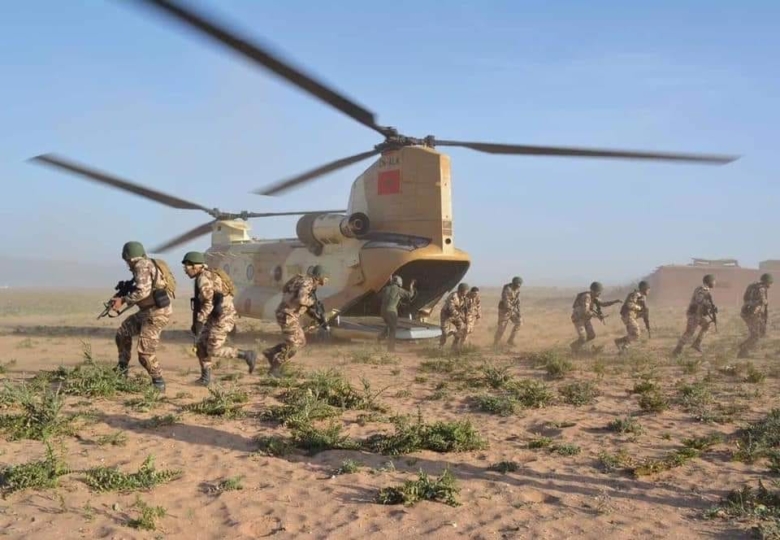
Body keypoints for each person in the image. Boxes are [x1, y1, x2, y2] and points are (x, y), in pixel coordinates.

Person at [181, 251, 257, 386]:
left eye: (186, 266)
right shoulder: (207, 275)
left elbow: (208, 303)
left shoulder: (203, 278)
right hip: (214, 316)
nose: (185, 270)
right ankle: (205, 378)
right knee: (201, 346)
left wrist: (199, 321)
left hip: (223, 317)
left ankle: (245, 354)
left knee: (213, 349)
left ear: (195, 266)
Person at [113, 241, 173, 392]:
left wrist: (123, 300)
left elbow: (142, 292)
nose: (127, 264)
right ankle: (122, 369)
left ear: (129, 258)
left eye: (126, 260)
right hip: (147, 312)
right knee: (123, 333)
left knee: (145, 353)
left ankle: (158, 382)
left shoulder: (141, 266)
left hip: (156, 314)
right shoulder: (148, 264)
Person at [263, 265, 329, 376]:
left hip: (286, 314)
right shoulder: (308, 283)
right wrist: (312, 302)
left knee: (301, 341)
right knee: (294, 346)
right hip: (288, 315)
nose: (326, 279)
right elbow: (301, 299)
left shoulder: (300, 279)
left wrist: (316, 316)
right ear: (319, 277)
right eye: (325, 277)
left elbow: (285, 289)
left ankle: (271, 352)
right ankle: (275, 368)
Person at [569, 281, 622, 355]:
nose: (599, 294)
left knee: (591, 335)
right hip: (579, 319)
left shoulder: (594, 297)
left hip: (585, 319)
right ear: (594, 291)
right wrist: (597, 315)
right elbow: (585, 311)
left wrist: (614, 301)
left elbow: (603, 304)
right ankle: (574, 348)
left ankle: (578, 346)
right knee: (583, 338)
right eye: (598, 292)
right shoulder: (587, 297)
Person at [672, 274, 718, 356]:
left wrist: (712, 308)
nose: (715, 283)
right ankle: (678, 349)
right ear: (709, 281)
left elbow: (704, 305)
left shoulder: (706, 290)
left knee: (706, 325)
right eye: (714, 281)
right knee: (690, 332)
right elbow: (699, 300)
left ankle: (697, 343)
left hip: (698, 315)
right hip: (694, 314)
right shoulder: (701, 289)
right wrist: (709, 305)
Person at [737, 273, 773, 358]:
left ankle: (744, 347)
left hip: (745, 311)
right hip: (752, 313)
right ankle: (743, 350)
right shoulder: (762, 288)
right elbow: (763, 301)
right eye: (770, 283)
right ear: (767, 282)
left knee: (757, 332)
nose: (770, 285)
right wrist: (765, 302)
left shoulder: (752, 285)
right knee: (756, 335)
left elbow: (745, 297)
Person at [377, 275, 416, 352]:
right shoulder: (399, 290)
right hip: (392, 312)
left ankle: (380, 337)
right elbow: (410, 295)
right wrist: (411, 286)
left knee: (389, 325)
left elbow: (379, 296)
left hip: (383, 311)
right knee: (392, 329)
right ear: (399, 282)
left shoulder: (385, 289)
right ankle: (391, 348)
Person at [615, 281, 650, 353]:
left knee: (632, 334)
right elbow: (629, 304)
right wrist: (639, 308)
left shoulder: (643, 297)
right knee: (636, 334)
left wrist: (645, 318)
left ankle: (621, 345)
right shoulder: (635, 294)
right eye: (648, 289)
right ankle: (623, 346)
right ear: (644, 288)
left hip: (631, 316)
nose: (649, 291)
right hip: (628, 315)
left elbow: (643, 311)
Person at [493, 276, 523, 346]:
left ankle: (510, 340)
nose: (518, 287)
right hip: (504, 310)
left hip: (512, 310)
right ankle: (495, 343)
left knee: (519, 322)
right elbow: (506, 303)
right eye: (516, 285)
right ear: (513, 283)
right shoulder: (507, 289)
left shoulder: (517, 290)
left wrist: (518, 312)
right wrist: (515, 310)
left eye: (519, 286)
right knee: (502, 327)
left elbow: (517, 302)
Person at [439, 283, 469, 351]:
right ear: (461, 290)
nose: (466, 293)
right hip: (446, 315)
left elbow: (465, 309)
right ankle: (440, 347)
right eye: (465, 291)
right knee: (444, 333)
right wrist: (460, 315)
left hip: (455, 315)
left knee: (461, 329)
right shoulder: (453, 296)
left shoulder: (464, 298)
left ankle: (454, 346)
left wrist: (465, 318)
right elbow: (451, 308)